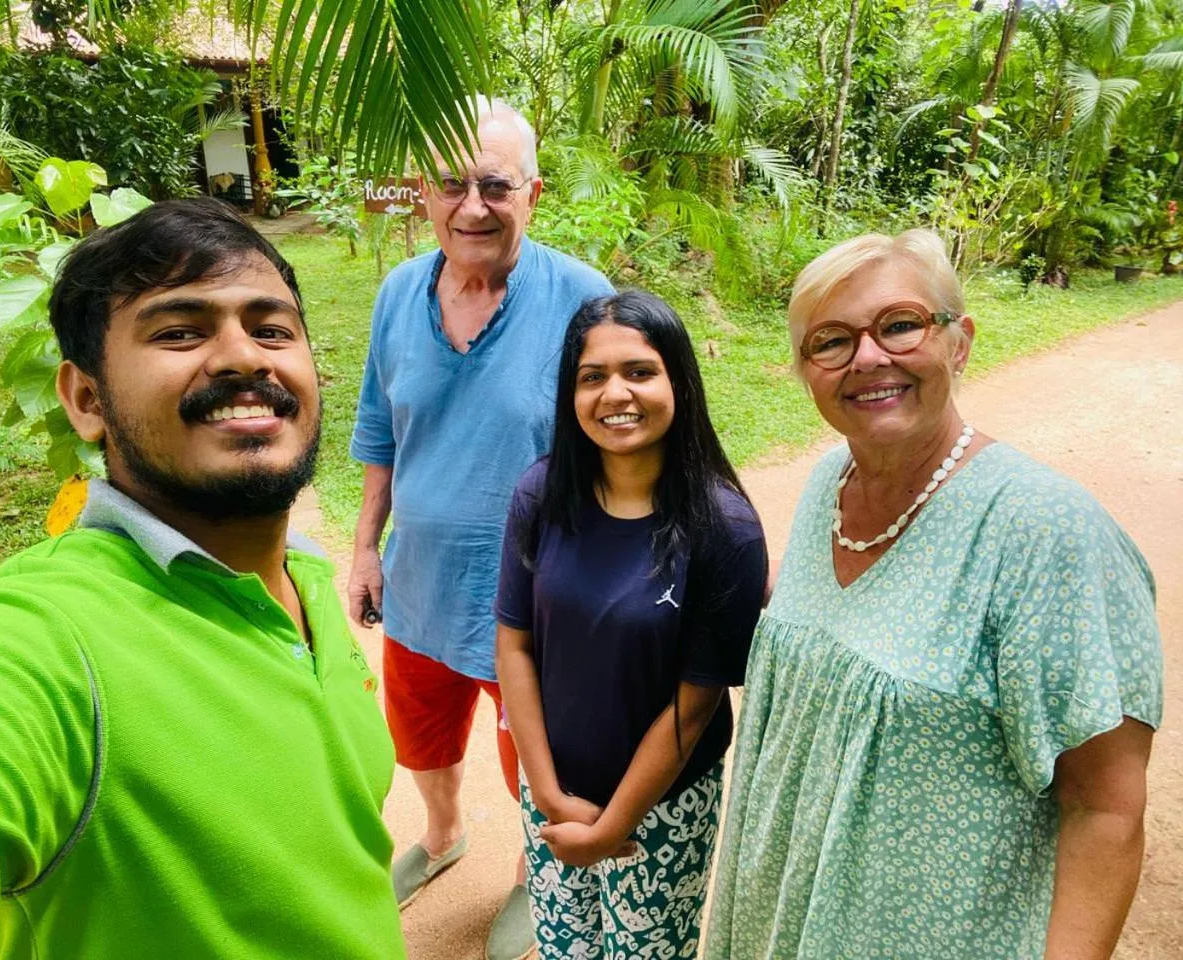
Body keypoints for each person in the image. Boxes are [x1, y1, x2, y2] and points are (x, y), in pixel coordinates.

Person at [0, 199, 405, 960]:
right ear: (86, 399)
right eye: (179, 331)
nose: (245, 358)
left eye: (272, 329)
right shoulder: (41, 642)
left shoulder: (303, 574)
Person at [705, 229, 1163, 960]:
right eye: (831, 341)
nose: (868, 358)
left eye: (900, 325)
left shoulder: (1044, 531)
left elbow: (1104, 807)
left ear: (959, 341)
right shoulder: (829, 480)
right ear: (804, 371)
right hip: (784, 918)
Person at [348, 97, 613, 958]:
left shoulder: (581, 298)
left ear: (531, 194)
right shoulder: (398, 292)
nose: (472, 205)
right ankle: (442, 834)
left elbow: (625, 436)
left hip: (534, 600)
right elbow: (380, 429)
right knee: (420, 740)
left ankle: (529, 879)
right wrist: (363, 547)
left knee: (536, 759)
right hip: (419, 582)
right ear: (423, 193)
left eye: (494, 185)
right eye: (452, 184)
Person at [495, 291, 767, 959]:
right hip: (552, 788)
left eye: (640, 371)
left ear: (678, 379)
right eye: (593, 376)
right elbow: (514, 646)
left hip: (663, 807)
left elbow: (696, 705)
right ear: (571, 392)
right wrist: (553, 799)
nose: (616, 393)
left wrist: (612, 825)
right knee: (565, 948)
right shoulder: (540, 493)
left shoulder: (724, 529)